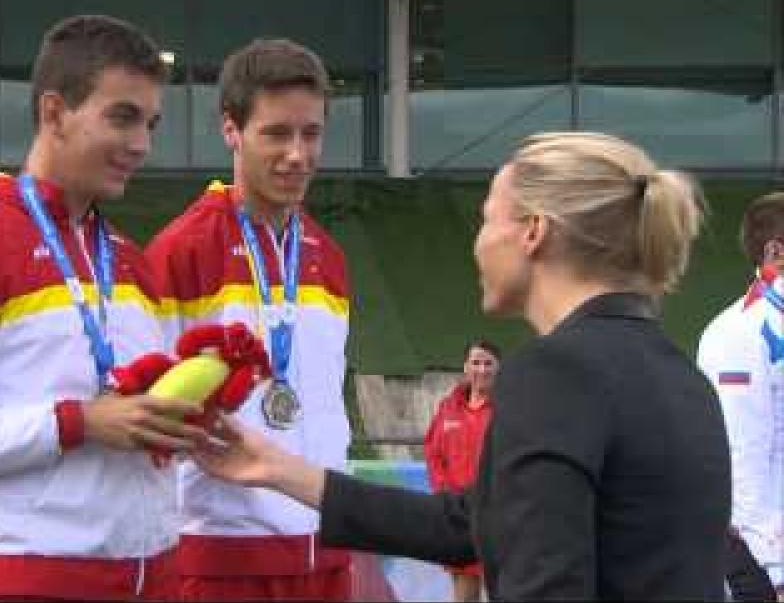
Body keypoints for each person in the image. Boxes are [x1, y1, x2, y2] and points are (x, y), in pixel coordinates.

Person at [192, 131, 733, 600]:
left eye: (486, 218)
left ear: (533, 232)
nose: (479, 241)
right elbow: (468, 523)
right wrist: (276, 468)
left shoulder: (556, 373)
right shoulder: (679, 376)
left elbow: (542, 586)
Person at [0, 14, 207, 601]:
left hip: (154, 573)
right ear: (54, 112)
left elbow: (131, 419)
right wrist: (79, 422)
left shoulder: (132, 263)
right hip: (27, 577)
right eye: (122, 118)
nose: (141, 145)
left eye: (151, 124)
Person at [145, 38, 353, 601]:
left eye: (310, 134)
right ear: (231, 130)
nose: (297, 154)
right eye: (277, 133)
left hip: (325, 544)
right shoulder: (180, 250)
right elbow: (150, 406)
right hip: (220, 552)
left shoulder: (326, 256)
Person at [697, 191, 784, 600]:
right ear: (775, 250)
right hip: (762, 557)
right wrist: (778, 569)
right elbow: (741, 456)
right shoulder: (740, 332)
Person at [422, 339, 500, 602]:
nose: (481, 369)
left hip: (496, 519)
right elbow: (433, 453)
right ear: (466, 367)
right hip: (459, 517)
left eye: (488, 363)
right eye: (476, 362)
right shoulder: (448, 407)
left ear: (498, 369)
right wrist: (445, 494)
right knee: (464, 598)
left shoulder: (509, 409)